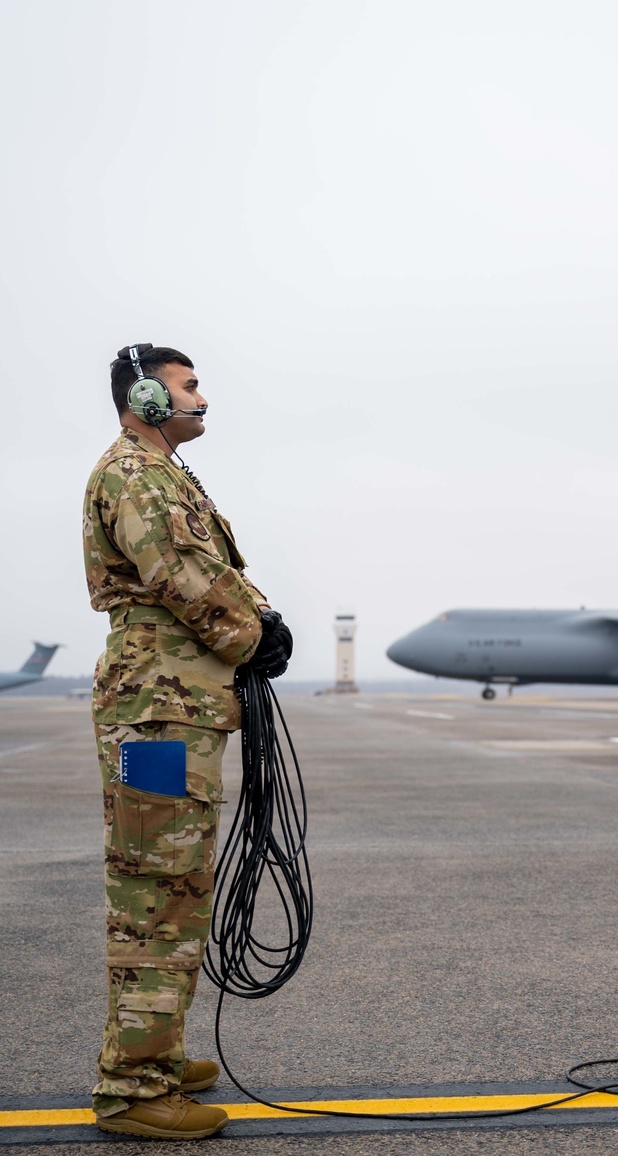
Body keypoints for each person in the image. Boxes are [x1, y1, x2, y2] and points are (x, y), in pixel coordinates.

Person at [82, 344, 293, 1139]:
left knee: (175, 884)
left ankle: (154, 1055)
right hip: (158, 713)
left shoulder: (164, 471)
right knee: (156, 890)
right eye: (188, 386)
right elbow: (174, 569)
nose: (203, 398)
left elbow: (206, 563)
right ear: (145, 394)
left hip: (179, 705)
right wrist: (251, 635)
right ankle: (134, 1090)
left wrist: (260, 621)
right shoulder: (134, 472)